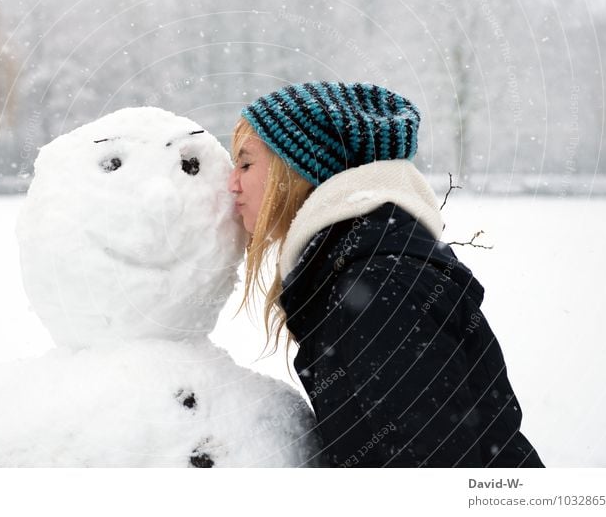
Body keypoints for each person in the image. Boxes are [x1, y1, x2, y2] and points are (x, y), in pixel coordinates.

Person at [227, 81, 544, 468]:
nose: (232, 183)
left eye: (245, 163)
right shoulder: (357, 267)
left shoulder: (379, 284)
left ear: (300, 168)